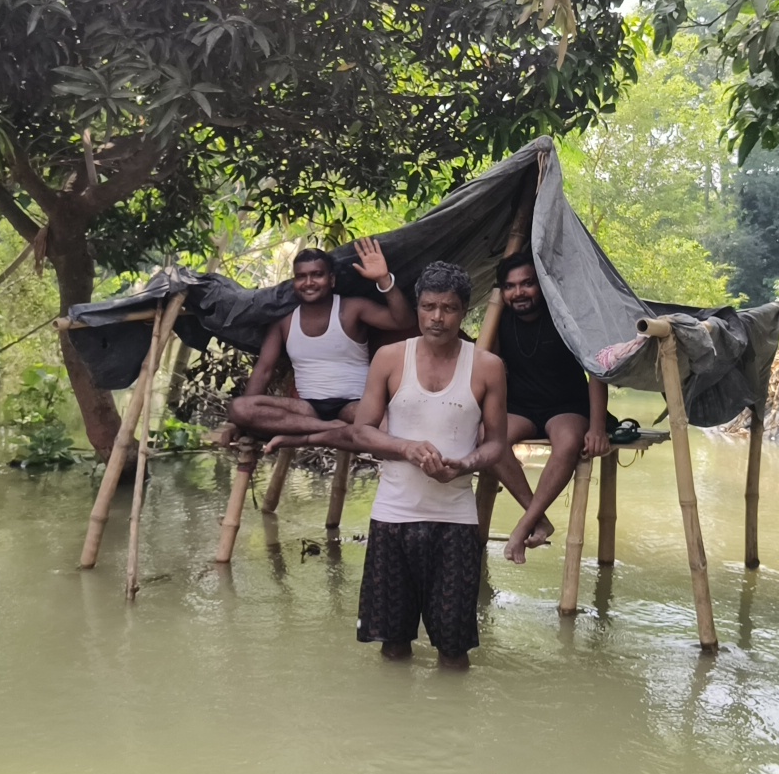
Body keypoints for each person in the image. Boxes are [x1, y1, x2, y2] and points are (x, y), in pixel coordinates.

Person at [269, 261, 507, 669]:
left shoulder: (487, 366)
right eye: (429, 306)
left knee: (454, 650)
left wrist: (466, 461)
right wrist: (407, 447)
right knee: (392, 644)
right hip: (393, 517)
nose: (437, 317)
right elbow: (362, 432)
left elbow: (498, 444)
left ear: (464, 311)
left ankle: (450, 729)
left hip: (456, 520)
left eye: (448, 308)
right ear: (417, 308)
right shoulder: (389, 358)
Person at [226, 237, 410, 442]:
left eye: (317, 275)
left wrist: (383, 279)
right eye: (301, 277)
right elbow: (264, 371)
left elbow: (402, 321)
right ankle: (331, 429)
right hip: (307, 409)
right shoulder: (284, 322)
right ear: (294, 282)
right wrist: (240, 422)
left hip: (353, 404)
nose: (309, 283)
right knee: (239, 408)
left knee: (390, 429)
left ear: (331, 280)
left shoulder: (352, 309)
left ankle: (324, 431)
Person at [493, 251, 612, 564]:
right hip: (520, 405)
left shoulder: (564, 316)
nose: (518, 292)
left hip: (566, 404)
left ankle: (522, 526)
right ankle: (539, 518)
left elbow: (596, 370)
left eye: (527, 284)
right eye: (510, 286)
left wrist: (597, 428)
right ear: (502, 292)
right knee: (489, 438)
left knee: (569, 441)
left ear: (541, 286)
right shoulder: (499, 320)